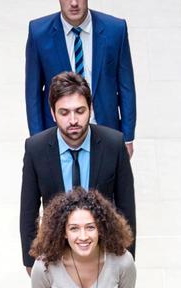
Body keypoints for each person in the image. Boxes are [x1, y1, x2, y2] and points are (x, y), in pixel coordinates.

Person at [20, 71, 136, 270]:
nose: (73, 120)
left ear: (90, 109)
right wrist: (32, 264)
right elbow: (28, 211)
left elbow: (126, 208)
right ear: (52, 113)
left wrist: (127, 259)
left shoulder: (113, 144)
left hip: (104, 254)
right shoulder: (35, 149)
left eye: (79, 111)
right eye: (64, 112)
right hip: (55, 256)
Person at [25, 0, 136, 154]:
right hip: (58, 136)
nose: (74, 3)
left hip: (105, 132)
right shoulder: (38, 32)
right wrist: (37, 142)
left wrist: (128, 138)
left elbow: (126, 87)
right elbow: (33, 93)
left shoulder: (115, 30)